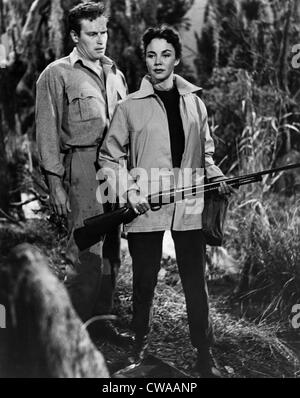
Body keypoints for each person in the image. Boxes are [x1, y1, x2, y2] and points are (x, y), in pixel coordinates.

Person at [99, 25, 233, 377]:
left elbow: (206, 154)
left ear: (177, 57)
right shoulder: (129, 107)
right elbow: (109, 158)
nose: (158, 62)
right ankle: (138, 346)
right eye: (151, 54)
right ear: (144, 58)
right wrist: (129, 191)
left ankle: (204, 354)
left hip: (189, 203)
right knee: (144, 280)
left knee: (195, 282)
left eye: (166, 54)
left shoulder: (196, 103)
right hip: (146, 205)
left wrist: (216, 175)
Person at [35, 2, 131, 344]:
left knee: (112, 253)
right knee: (86, 253)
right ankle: (69, 333)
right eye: (92, 34)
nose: (101, 39)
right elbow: (46, 134)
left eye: (104, 32)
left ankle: (100, 322)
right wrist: (55, 184)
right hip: (82, 167)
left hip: (115, 171)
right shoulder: (56, 74)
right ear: (75, 36)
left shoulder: (115, 73)